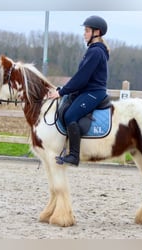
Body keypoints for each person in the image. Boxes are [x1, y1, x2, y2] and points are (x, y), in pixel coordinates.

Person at [48, 15, 110, 166]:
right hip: (87, 90)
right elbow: (80, 78)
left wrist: (61, 92)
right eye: (85, 31)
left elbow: (81, 78)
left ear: (97, 32)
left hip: (94, 93)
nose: (84, 33)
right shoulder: (93, 50)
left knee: (70, 115)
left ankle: (74, 156)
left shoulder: (95, 52)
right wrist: (66, 89)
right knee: (66, 108)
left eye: (87, 31)